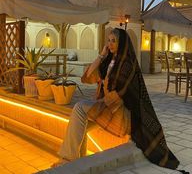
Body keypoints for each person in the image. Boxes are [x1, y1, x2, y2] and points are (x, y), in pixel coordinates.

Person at [53, 28, 183, 172]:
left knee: (79, 107)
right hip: (109, 108)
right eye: (108, 41)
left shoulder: (128, 64)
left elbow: (119, 95)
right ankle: (74, 159)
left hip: (121, 115)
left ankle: (68, 159)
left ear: (122, 43)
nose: (110, 44)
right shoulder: (108, 61)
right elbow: (87, 76)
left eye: (113, 41)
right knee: (79, 120)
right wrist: (101, 56)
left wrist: (99, 103)